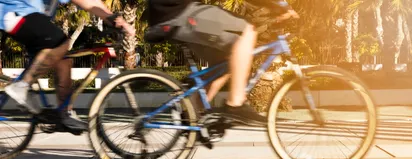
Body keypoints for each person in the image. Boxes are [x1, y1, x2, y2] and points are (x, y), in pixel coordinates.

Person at [147, 0, 299, 125]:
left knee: (228, 60)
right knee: (247, 30)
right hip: (179, 14)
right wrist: (279, 5)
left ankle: (192, 114)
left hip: (174, 13)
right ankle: (235, 104)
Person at [1, 0, 135, 130]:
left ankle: (64, 114)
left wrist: (111, 18)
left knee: (64, 60)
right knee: (61, 42)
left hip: (28, 16)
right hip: (16, 12)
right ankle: (22, 86)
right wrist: (113, 19)